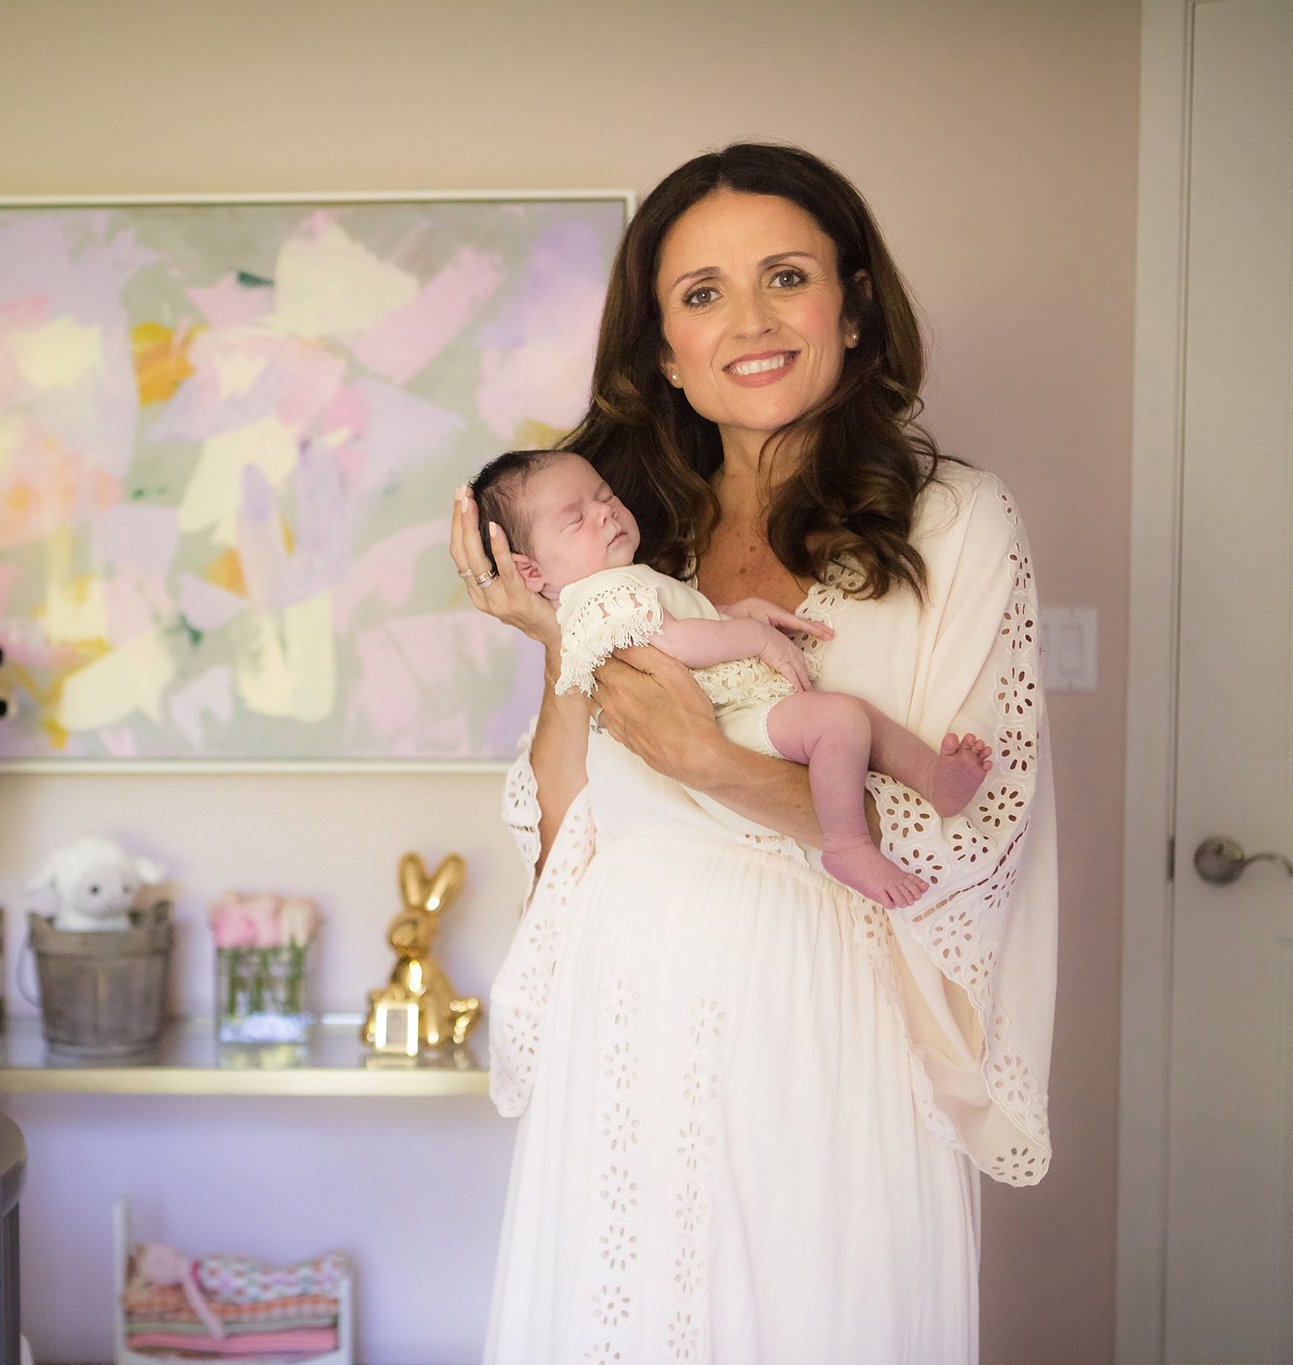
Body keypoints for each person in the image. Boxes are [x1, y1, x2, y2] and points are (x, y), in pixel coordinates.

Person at [449, 143, 1057, 1364]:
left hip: (829, 1039)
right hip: (620, 1035)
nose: (750, 322)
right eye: (700, 294)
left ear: (853, 303)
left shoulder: (955, 526)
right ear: (661, 348)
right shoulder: (611, 538)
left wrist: (715, 765)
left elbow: (974, 845)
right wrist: (549, 646)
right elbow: (564, 845)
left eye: (785, 276)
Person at [469, 447, 994, 908]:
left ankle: (929, 777)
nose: (604, 511)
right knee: (840, 719)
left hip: (727, 708)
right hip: (724, 718)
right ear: (531, 572)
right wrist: (758, 639)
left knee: (855, 721)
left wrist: (739, 610)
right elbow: (676, 642)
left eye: (604, 494)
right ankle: (847, 843)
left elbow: (681, 617)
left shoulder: (615, 587)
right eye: (576, 517)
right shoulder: (599, 599)